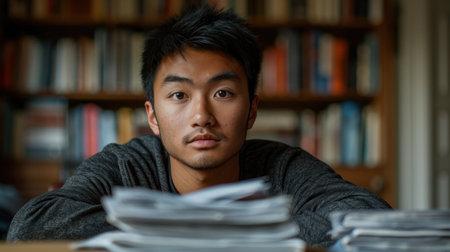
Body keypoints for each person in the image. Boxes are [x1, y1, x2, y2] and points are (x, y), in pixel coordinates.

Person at [7, 5, 391, 247]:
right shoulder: (126, 165)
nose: (201, 115)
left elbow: (368, 217)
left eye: (223, 93)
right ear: (152, 117)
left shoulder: (282, 167)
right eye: (179, 96)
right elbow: (32, 226)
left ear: (252, 110)